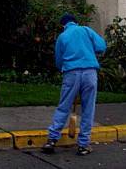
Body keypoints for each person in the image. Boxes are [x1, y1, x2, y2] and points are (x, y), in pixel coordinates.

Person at [42, 13, 107, 156]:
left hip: (71, 73)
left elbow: (59, 61)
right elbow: (101, 46)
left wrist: (63, 69)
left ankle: (52, 140)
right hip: (90, 72)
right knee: (88, 108)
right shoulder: (86, 30)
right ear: (76, 22)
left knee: (64, 106)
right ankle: (83, 145)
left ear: (63, 25)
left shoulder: (62, 37)